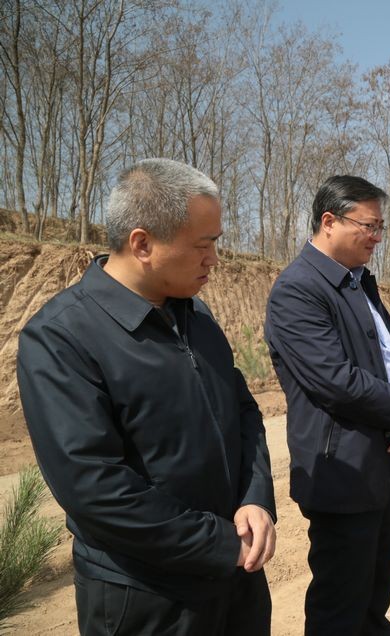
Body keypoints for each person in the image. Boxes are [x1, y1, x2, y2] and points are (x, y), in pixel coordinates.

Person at [16, 158, 277, 636]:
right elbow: (95, 488)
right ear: (142, 244)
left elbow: (243, 412)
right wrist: (219, 543)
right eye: (203, 246)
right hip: (147, 596)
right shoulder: (61, 337)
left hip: (235, 579)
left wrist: (255, 500)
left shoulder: (196, 317)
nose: (214, 260)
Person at [264, 175, 390, 635]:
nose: (377, 237)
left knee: (375, 593)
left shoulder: (358, 283)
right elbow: (337, 382)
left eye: (380, 227)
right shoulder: (298, 290)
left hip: (380, 458)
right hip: (341, 470)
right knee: (341, 606)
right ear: (329, 221)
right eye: (368, 226)